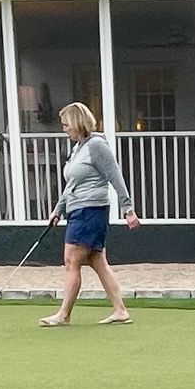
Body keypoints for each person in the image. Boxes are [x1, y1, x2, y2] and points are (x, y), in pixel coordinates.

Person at [40, 103, 140, 326]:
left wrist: (128, 209)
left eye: (66, 125)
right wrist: (58, 209)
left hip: (90, 210)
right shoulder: (78, 148)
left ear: (77, 122)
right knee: (97, 261)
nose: (64, 129)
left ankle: (63, 315)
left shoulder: (96, 146)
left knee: (71, 260)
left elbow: (116, 177)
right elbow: (71, 184)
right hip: (78, 209)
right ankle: (120, 310)